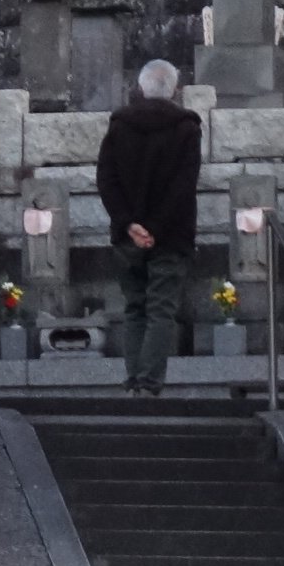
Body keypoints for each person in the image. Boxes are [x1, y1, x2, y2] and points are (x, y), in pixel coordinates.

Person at [95, 58, 203, 396]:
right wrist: (154, 227)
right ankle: (150, 381)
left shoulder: (119, 126)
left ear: (140, 88)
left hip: (127, 236)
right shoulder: (186, 128)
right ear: (175, 90)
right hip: (171, 235)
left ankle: (132, 380)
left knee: (134, 308)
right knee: (161, 309)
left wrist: (129, 224)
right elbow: (184, 184)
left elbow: (106, 179)